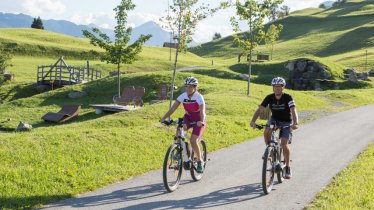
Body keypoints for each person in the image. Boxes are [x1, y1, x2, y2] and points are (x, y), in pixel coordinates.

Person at [250, 76, 299, 179]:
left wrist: (295, 123)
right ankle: (269, 149)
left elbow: (293, 111)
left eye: (279, 86)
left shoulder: (288, 97)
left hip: (286, 122)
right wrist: (253, 121)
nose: (277, 88)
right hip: (275, 120)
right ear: (273, 88)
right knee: (267, 129)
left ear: (283, 87)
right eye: (275, 86)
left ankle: (287, 168)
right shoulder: (269, 97)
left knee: (284, 143)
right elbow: (260, 110)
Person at [160, 76, 206, 173]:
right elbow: (173, 109)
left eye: (190, 86)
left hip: (198, 120)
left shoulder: (198, 97)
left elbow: (202, 111)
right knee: (179, 131)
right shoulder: (183, 96)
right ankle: (179, 149)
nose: (188, 88)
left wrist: (201, 121)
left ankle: (199, 161)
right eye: (186, 86)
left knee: (193, 141)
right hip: (188, 118)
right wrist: (164, 118)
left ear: (195, 87)